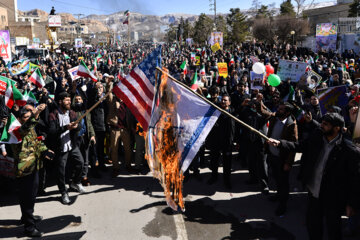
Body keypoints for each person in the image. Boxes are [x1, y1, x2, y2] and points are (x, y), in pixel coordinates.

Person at [268, 112, 360, 240]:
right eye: (322, 122)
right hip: (314, 194)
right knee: (313, 226)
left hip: (333, 198)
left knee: (333, 230)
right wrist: (280, 143)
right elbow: (299, 146)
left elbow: (355, 180)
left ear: (337, 128)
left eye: (325, 124)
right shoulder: (317, 136)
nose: (321, 125)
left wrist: (352, 204)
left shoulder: (349, 150)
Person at [12, 104, 53, 237]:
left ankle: (27, 217)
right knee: (27, 197)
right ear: (19, 119)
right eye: (25, 117)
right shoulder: (15, 130)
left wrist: (45, 150)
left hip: (35, 165)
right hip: (25, 169)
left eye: (30, 117)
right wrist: (35, 116)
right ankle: (29, 228)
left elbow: (36, 142)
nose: (28, 119)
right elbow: (23, 130)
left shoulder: (30, 128)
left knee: (31, 195)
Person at [48, 92, 86, 205]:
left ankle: (76, 182)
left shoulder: (72, 113)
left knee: (81, 163)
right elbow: (52, 132)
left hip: (72, 145)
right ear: (60, 102)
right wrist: (65, 127)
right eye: (67, 100)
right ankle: (63, 192)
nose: (70, 102)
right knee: (61, 172)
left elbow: (79, 126)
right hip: (60, 147)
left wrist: (75, 126)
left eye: (70, 100)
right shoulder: (53, 115)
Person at [265, 102, 298, 216]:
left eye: (281, 109)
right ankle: (278, 195)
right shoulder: (275, 118)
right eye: (278, 108)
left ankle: (283, 204)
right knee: (277, 178)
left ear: (288, 112)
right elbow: (264, 112)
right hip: (273, 155)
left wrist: (288, 163)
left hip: (282, 159)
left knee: (283, 182)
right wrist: (259, 102)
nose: (278, 110)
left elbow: (293, 146)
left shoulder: (291, 125)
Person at [206, 94, 235, 189]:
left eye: (225, 100)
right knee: (214, 161)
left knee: (227, 163)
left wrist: (234, 142)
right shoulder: (216, 111)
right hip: (216, 141)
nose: (223, 102)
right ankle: (214, 176)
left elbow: (234, 129)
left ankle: (227, 180)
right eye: (222, 100)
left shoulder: (233, 112)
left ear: (229, 102)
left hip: (227, 142)